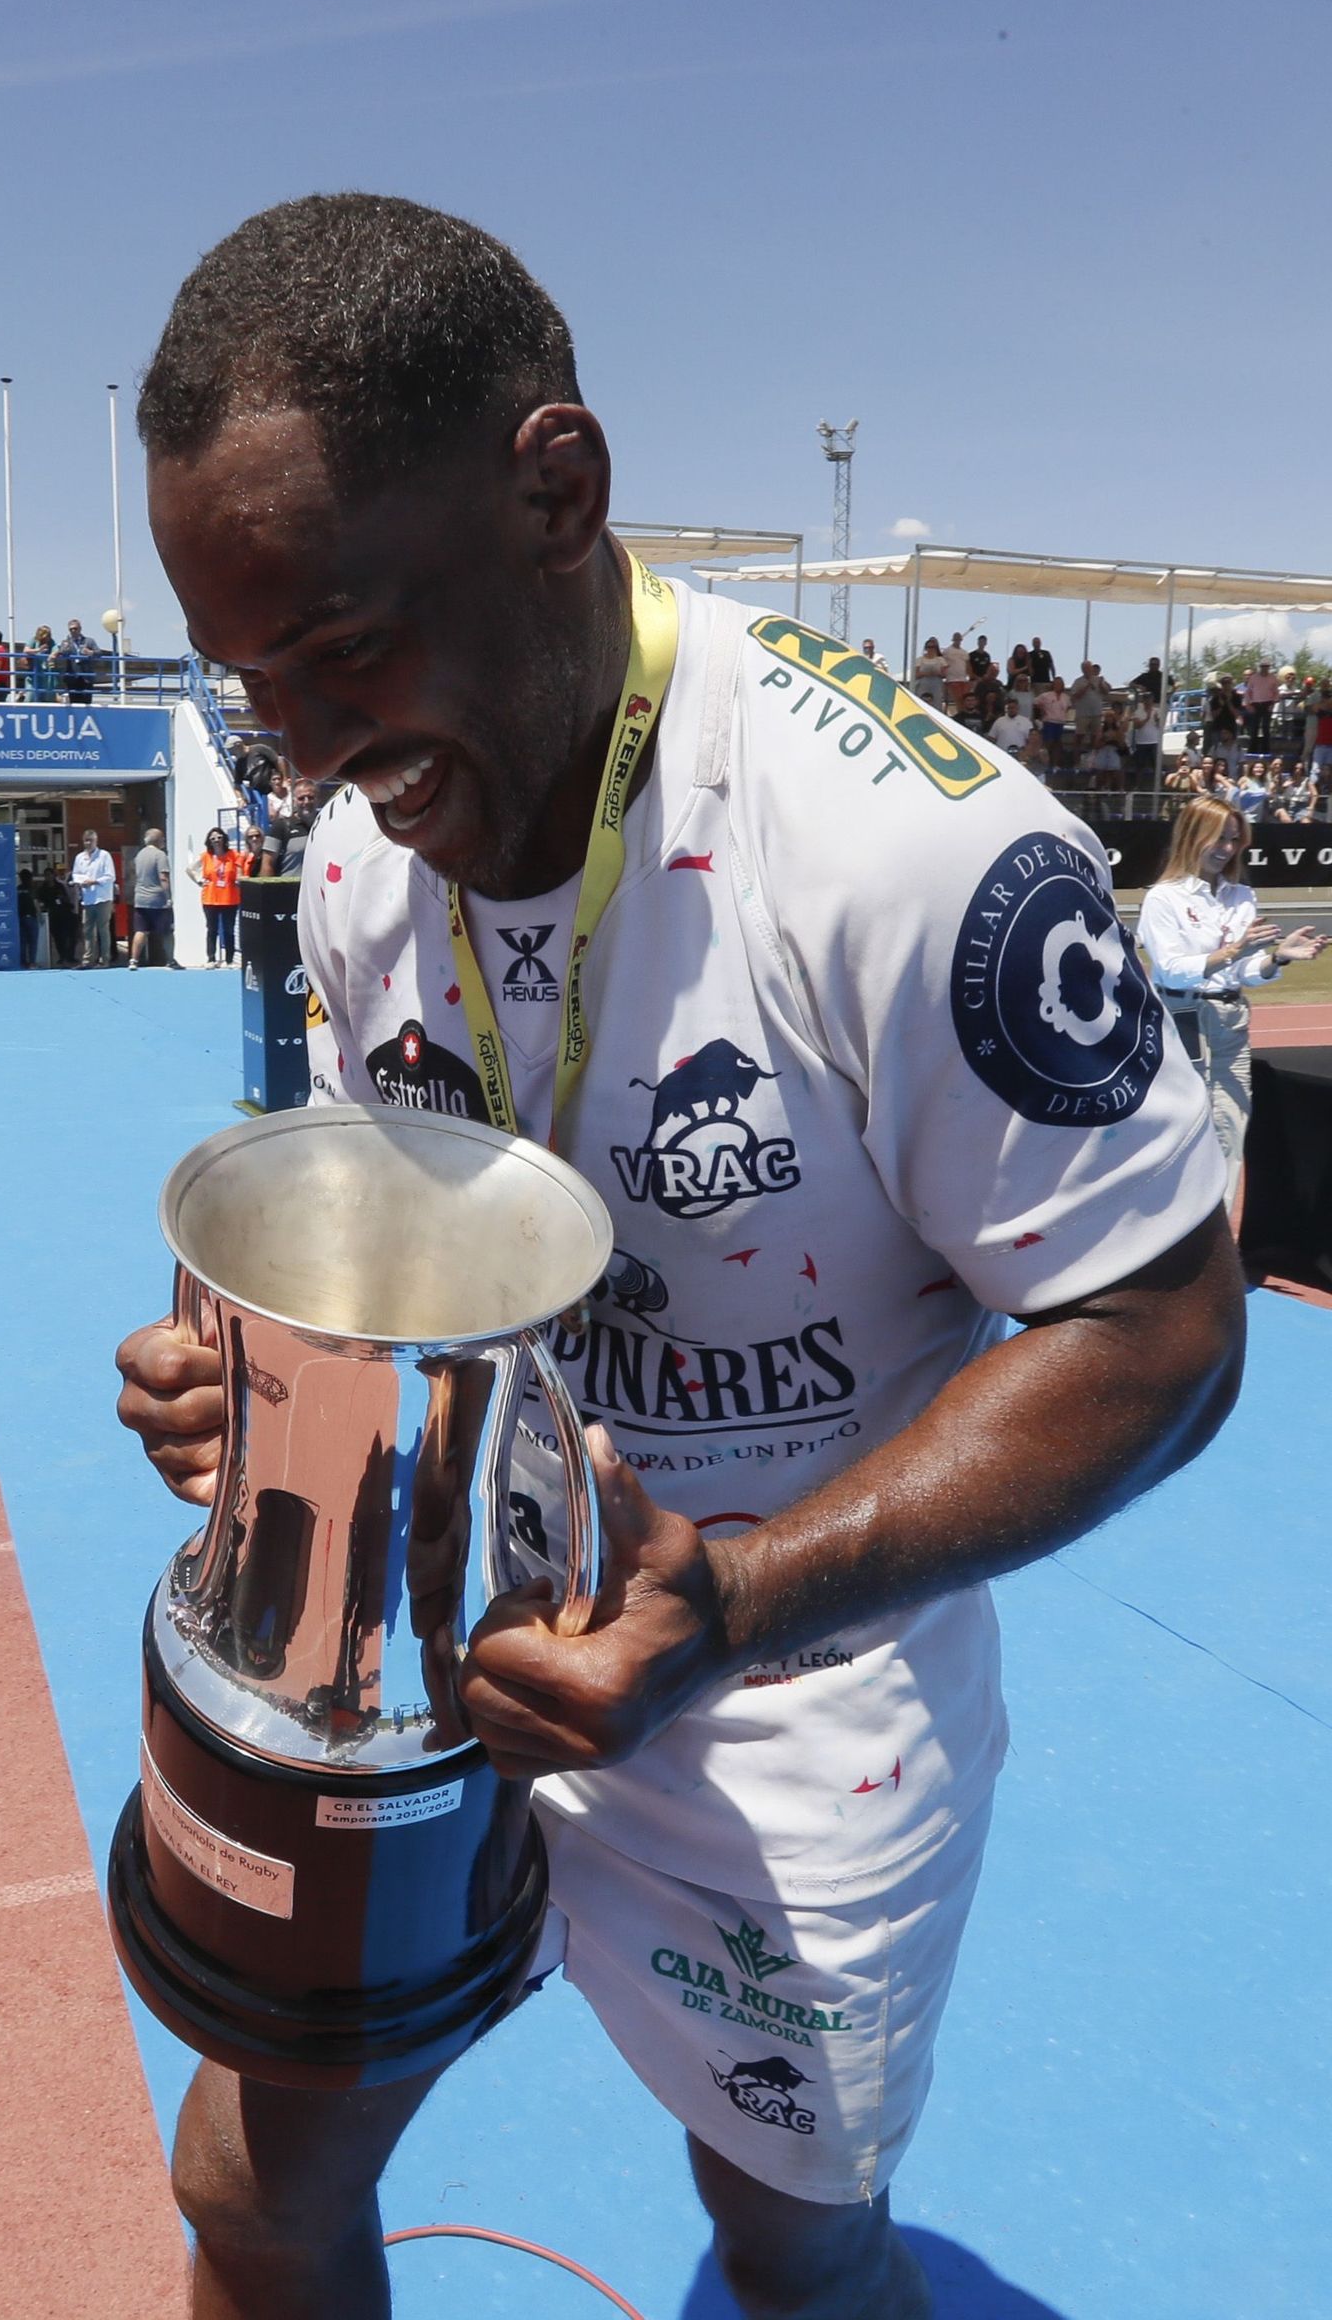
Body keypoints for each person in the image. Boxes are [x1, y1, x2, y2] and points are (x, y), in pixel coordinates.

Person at [112, 192, 1245, 2320]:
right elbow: (423, 1246)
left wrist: (730, 1606)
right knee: (248, 2188)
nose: (302, 756)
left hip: (796, 1686)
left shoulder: (916, 856)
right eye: (247, 678)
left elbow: (1162, 1326)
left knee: (791, 2258)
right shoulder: (362, 863)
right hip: (465, 1665)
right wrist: (266, 1389)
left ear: (557, 491)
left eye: (340, 648)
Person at [1138, 796, 1328, 1213]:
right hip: (1182, 1019)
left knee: (1229, 1129)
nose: (1226, 848)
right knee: (1181, 1133)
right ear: (1192, 836)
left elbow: (1242, 973)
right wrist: (1233, 951)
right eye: (1218, 838)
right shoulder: (1163, 899)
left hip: (1231, 1021)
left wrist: (1277, 957)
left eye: (1233, 839)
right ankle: (1168, 1236)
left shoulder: (1241, 895)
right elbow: (1170, 970)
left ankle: (1215, 1248)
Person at [187, 825, 241, 964]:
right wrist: (199, 880)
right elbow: (190, 869)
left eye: (219, 837)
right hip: (210, 898)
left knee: (229, 930)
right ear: (209, 841)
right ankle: (211, 958)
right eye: (213, 838)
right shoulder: (206, 856)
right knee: (212, 929)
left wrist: (238, 879)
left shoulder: (233, 855)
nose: (216, 840)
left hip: (230, 898)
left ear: (224, 839)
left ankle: (229, 960)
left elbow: (240, 869)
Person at [129, 826, 180, 969]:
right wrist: (168, 897)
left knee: (141, 930)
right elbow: (163, 877)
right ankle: (170, 960)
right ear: (158, 840)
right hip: (158, 900)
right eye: (162, 838)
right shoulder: (160, 855)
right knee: (167, 932)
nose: (164, 840)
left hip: (140, 899)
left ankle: (134, 960)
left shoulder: (139, 855)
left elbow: (134, 874)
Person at [71, 827, 118, 966]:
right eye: (86, 841)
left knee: (103, 929)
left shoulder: (104, 856)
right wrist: (80, 882)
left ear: (96, 841)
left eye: (90, 841)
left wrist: (95, 881)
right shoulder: (80, 857)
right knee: (87, 929)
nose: (88, 843)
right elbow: (76, 874)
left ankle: (104, 959)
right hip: (88, 898)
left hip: (102, 898)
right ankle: (87, 959)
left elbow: (111, 876)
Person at [1241, 657, 1277, 756]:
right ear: (1260, 667)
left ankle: (1266, 749)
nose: (1264, 668)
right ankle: (1252, 749)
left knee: (1266, 727)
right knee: (1254, 727)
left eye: (1266, 667)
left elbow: (1276, 692)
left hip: (1267, 703)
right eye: (1263, 666)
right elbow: (1248, 692)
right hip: (1255, 704)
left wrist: (1272, 704)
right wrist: (1249, 704)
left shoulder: (1272, 678)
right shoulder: (1254, 678)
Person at [59, 618, 101, 704]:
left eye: (75, 628)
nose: (73, 631)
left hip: (86, 677)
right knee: (74, 703)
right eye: (71, 629)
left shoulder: (89, 641)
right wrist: (64, 650)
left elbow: (99, 653)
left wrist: (90, 652)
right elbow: (61, 652)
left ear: (80, 629)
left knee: (87, 703)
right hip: (72, 677)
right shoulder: (66, 642)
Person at [911, 635, 946, 707]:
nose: (931, 649)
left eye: (933, 647)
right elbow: (916, 674)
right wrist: (926, 673)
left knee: (937, 702)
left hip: (936, 683)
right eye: (929, 647)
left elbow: (944, 674)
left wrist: (936, 673)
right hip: (923, 683)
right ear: (926, 648)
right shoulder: (919, 659)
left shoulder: (941, 660)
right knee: (922, 702)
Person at [16, 866, 41, 968]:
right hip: (31, 917)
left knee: (22, 941)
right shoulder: (32, 889)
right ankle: (32, 962)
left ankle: (23, 961)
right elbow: (36, 903)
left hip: (20, 917)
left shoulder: (17, 890)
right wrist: (40, 915)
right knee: (33, 941)